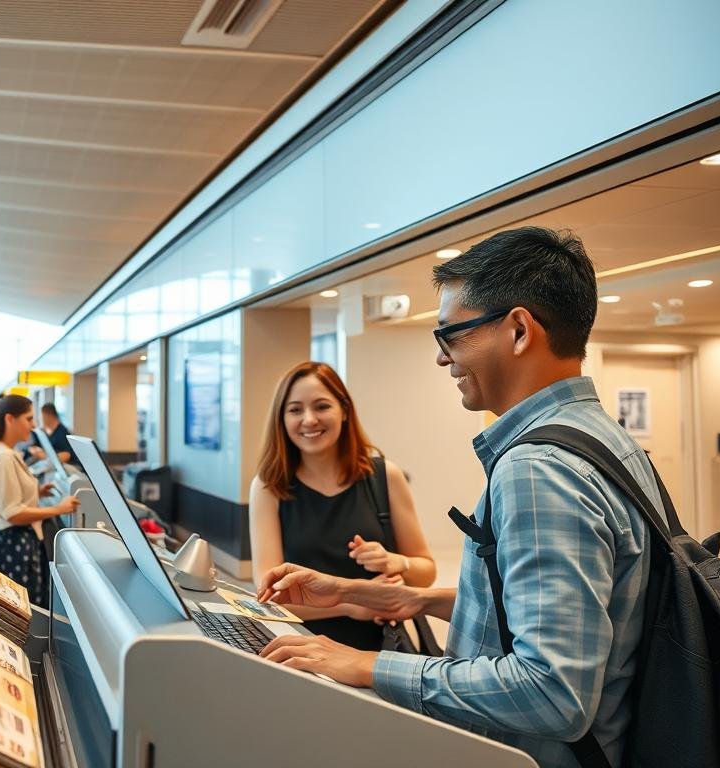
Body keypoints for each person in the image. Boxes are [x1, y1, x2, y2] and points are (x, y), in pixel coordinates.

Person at [256, 227, 658, 768]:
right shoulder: (603, 437)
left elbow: (552, 695)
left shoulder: (538, 468)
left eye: (451, 335)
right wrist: (404, 599)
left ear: (518, 330)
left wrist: (363, 664)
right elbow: (546, 612)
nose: (442, 359)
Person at [248, 362, 435, 651]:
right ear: (281, 419)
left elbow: (426, 571)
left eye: (322, 406)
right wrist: (351, 603)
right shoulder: (269, 486)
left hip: (378, 652)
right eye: (295, 410)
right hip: (301, 649)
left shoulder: (385, 476)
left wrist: (398, 562)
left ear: (344, 411)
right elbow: (269, 595)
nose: (309, 419)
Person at [0, 394, 79, 606]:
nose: (33, 425)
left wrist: (38, 492)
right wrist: (58, 509)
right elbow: (13, 513)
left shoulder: (3, 452)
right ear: (9, 419)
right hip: (15, 547)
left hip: (17, 544)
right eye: (28, 418)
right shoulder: (4, 457)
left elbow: (9, 496)